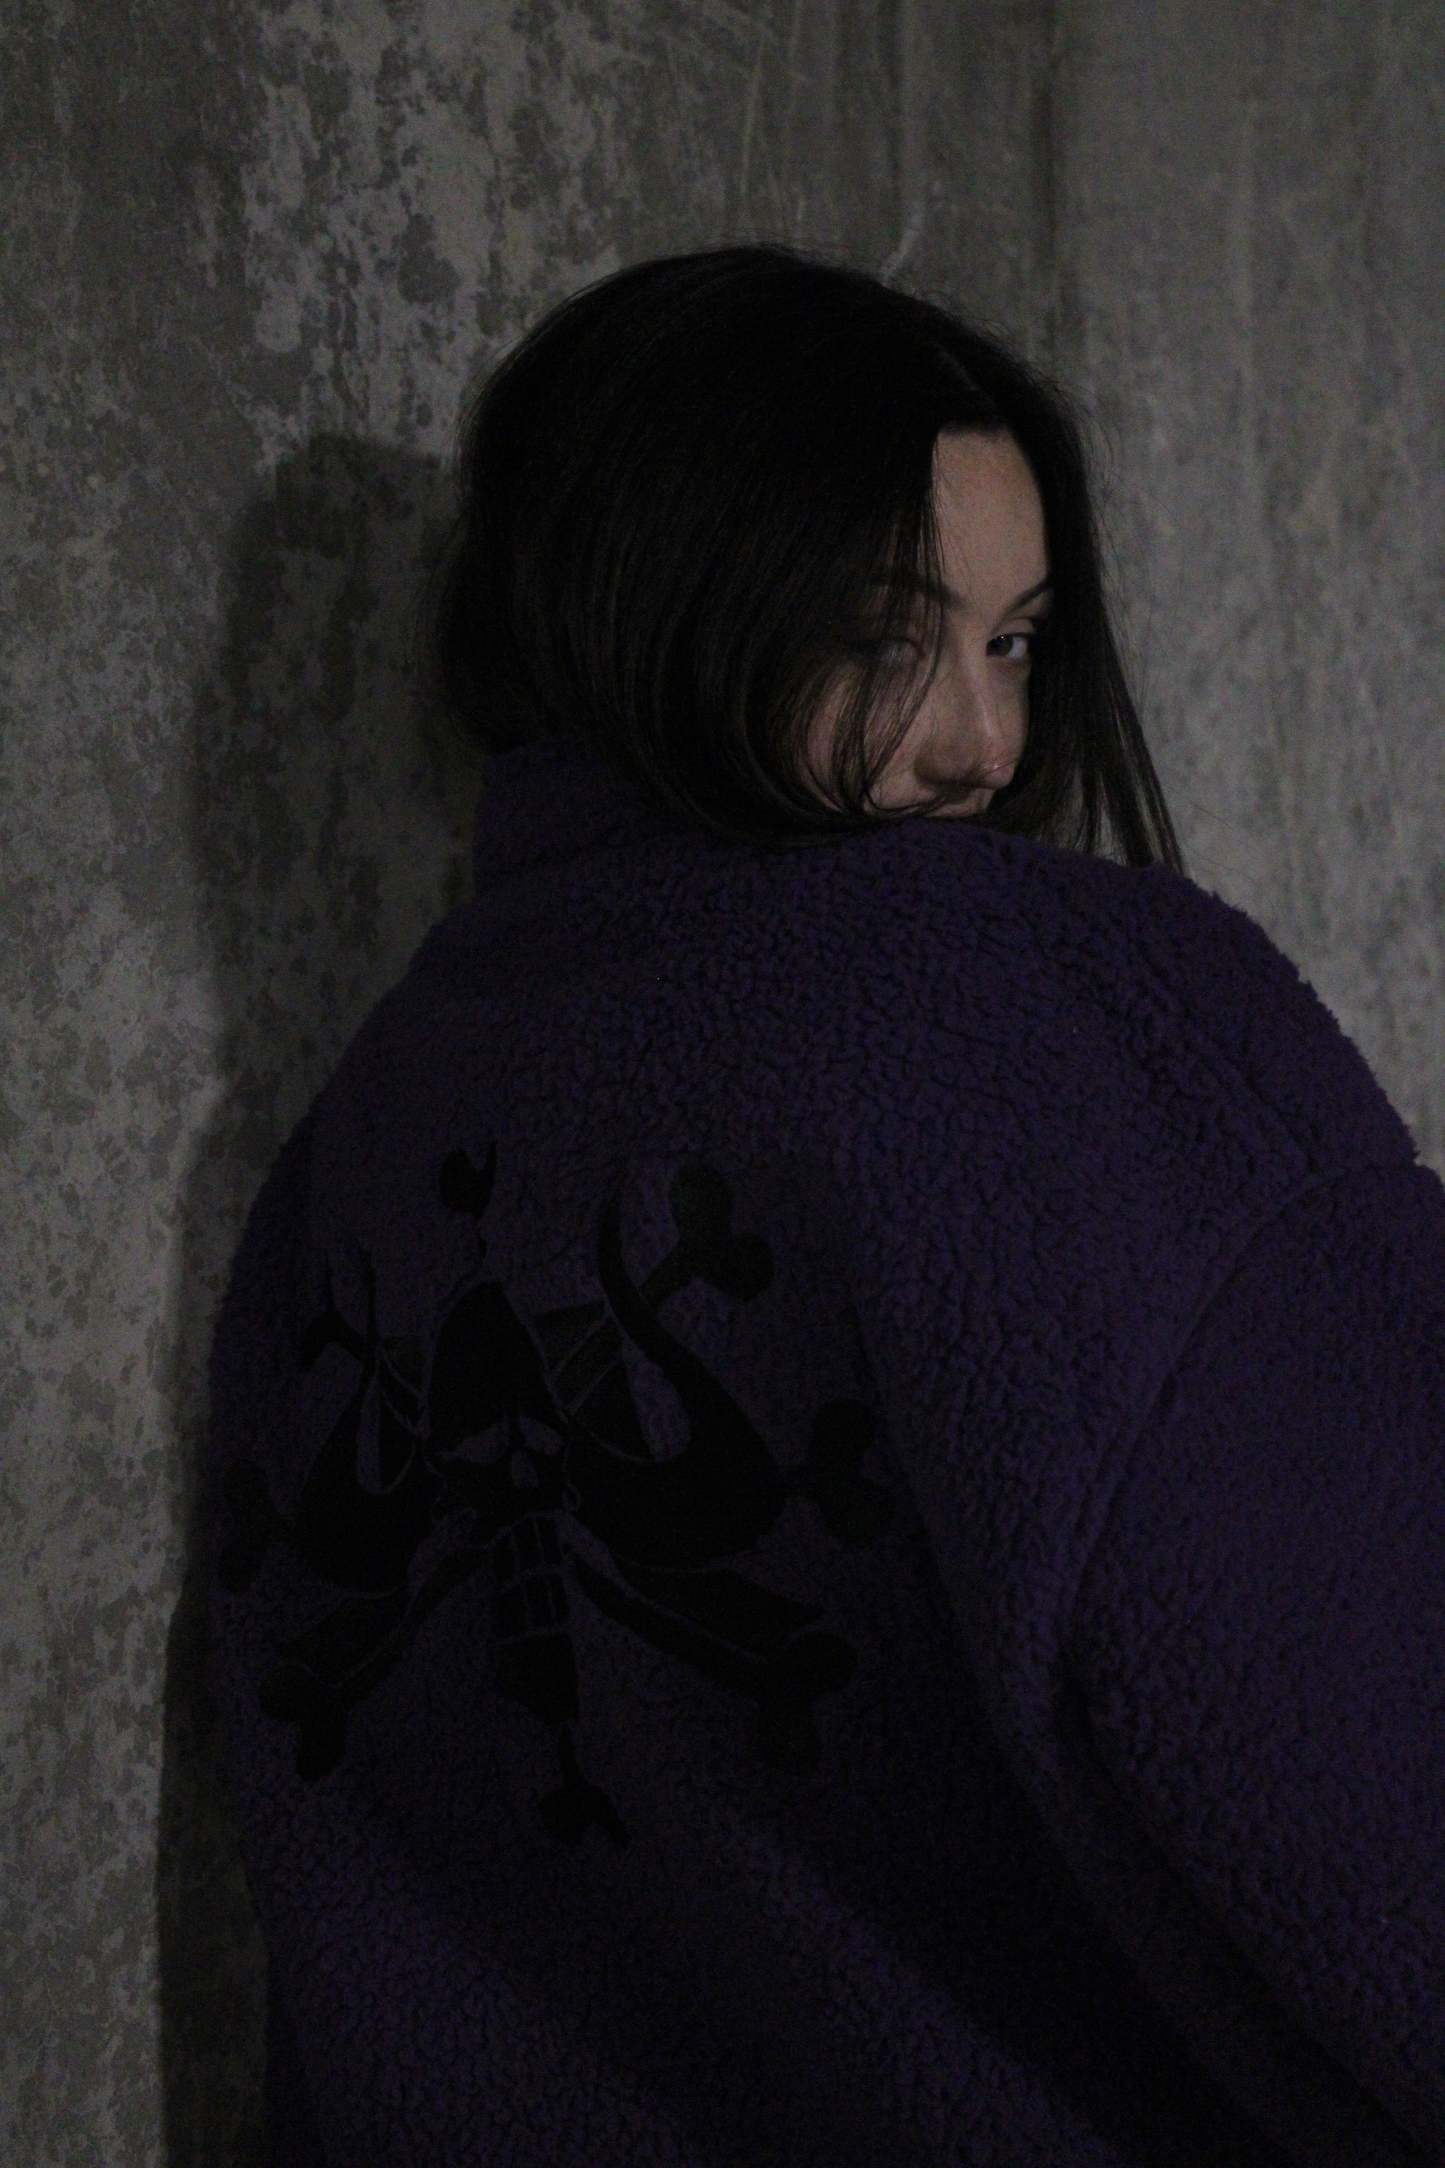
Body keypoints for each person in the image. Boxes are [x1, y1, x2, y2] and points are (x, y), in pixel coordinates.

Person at [206, 240, 1443, 2166]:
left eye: (1013, 644)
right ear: (665, 604)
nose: (984, 747)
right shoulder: (1051, 1024)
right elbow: (1375, 1733)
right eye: (883, 641)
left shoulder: (360, 1140)